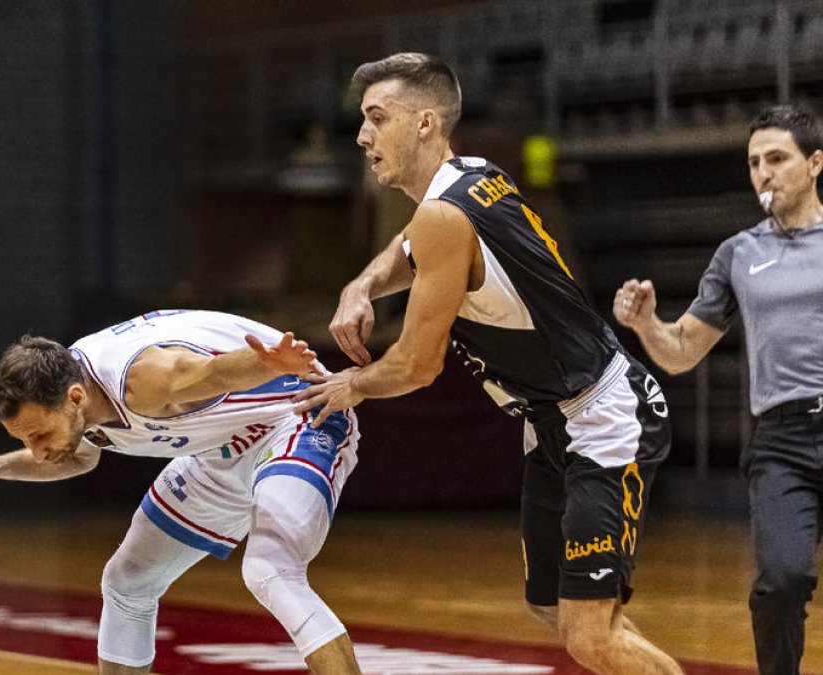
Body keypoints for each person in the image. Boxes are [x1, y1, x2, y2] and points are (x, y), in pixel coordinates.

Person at [294, 53, 681, 675]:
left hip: (603, 415)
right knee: (562, 611)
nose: (362, 136)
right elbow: (409, 243)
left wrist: (350, 385)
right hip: (553, 420)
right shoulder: (472, 173)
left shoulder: (446, 215)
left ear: (424, 123)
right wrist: (363, 285)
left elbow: (418, 367)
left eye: (376, 118)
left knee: (588, 634)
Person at [0, 309, 362, 675]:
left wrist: (265, 363)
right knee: (127, 582)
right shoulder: (71, 392)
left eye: (38, 435)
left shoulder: (141, 381)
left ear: (74, 399)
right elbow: (78, 457)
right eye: (24, 441)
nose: (35, 450)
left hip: (298, 417)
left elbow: (211, 373)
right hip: (220, 449)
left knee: (271, 569)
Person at [614, 105, 823, 675]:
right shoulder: (738, 254)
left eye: (777, 158)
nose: (763, 172)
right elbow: (681, 350)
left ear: (815, 163)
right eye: (754, 162)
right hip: (782, 441)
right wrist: (646, 325)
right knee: (780, 583)